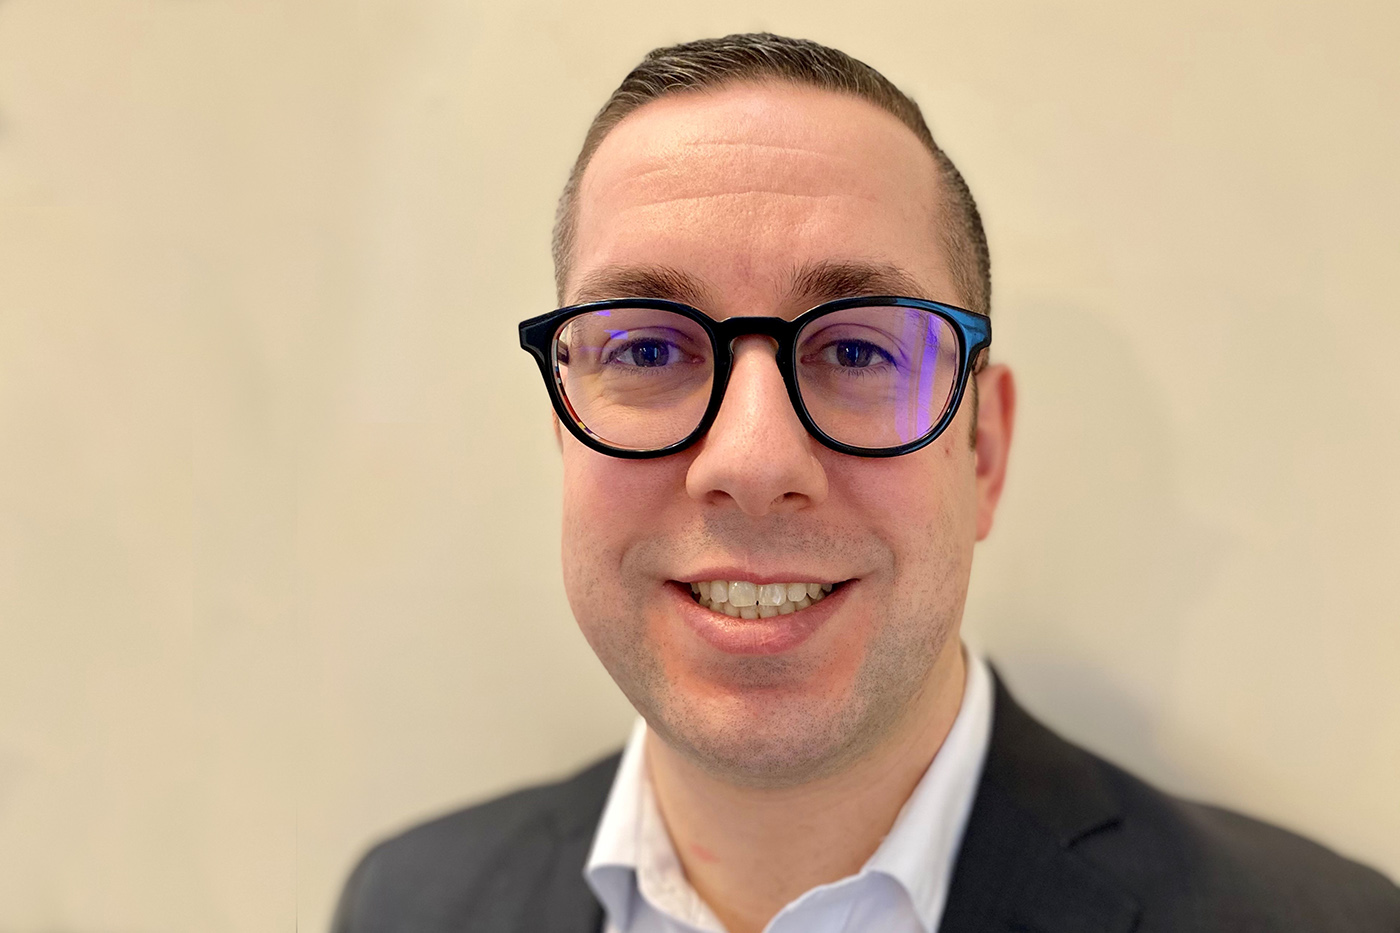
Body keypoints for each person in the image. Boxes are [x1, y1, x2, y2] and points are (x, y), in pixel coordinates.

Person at [330, 33, 1399, 933]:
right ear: (565, 436)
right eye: (648, 350)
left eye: (856, 350)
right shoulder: (406, 905)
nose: (752, 462)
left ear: (983, 452)